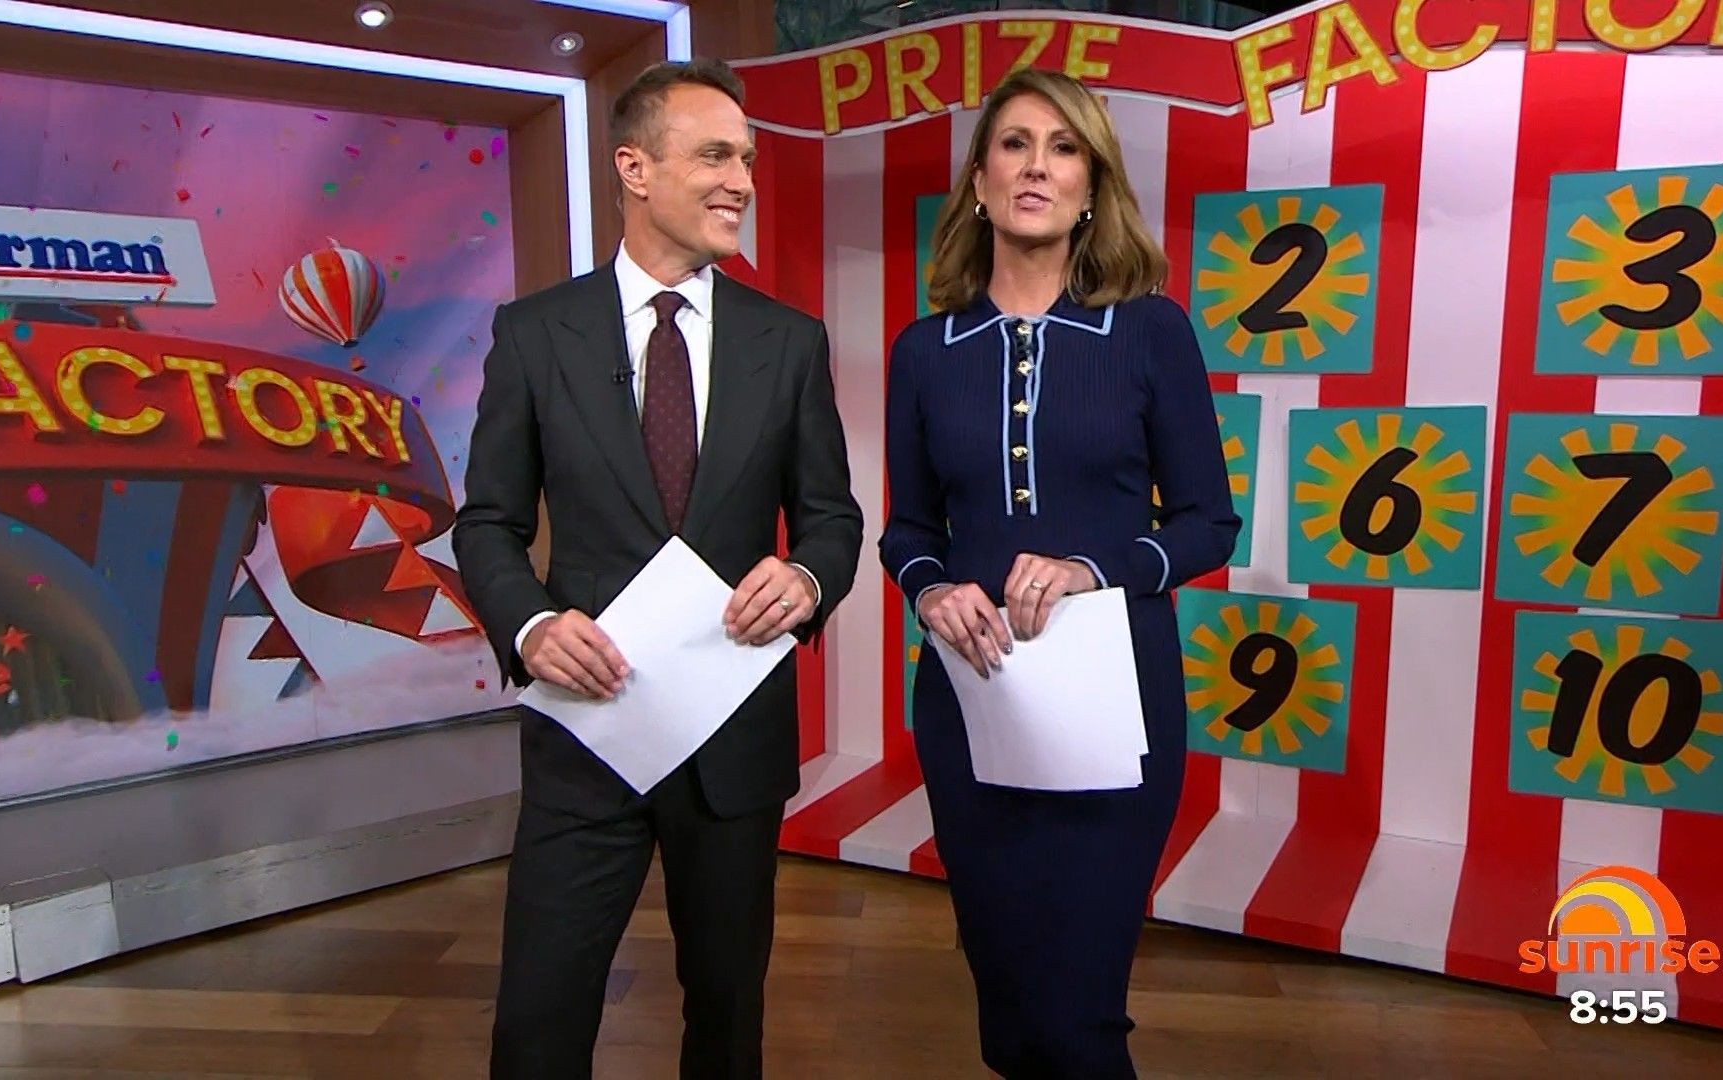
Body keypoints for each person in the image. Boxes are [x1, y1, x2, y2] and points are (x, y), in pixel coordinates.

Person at [453, 57, 864, 1080]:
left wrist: (807, 581)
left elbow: (832, 521)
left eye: (748, 160)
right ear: (634, 168)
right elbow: (487, 525)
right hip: (585, 732)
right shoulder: (534, 334)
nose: (742, 182)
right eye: (716, 156)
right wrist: (532, 626)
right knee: (538, 1022)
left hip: (732, 744)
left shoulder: (790, 343)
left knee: (727, 1018)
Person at [878, 68, 1241, 1077]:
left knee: (1078, 1013)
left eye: (1064, 147)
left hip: (1117, 700)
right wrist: (930, 589)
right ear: (980, 181)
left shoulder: (1151, 330)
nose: (1037, 166)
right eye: (1014, 144)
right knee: (1008, 1005)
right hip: (971, 699)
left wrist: (1093, 568)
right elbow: (908, 530)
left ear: (1091, 187)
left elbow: (1211, 525)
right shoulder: (925, 351)